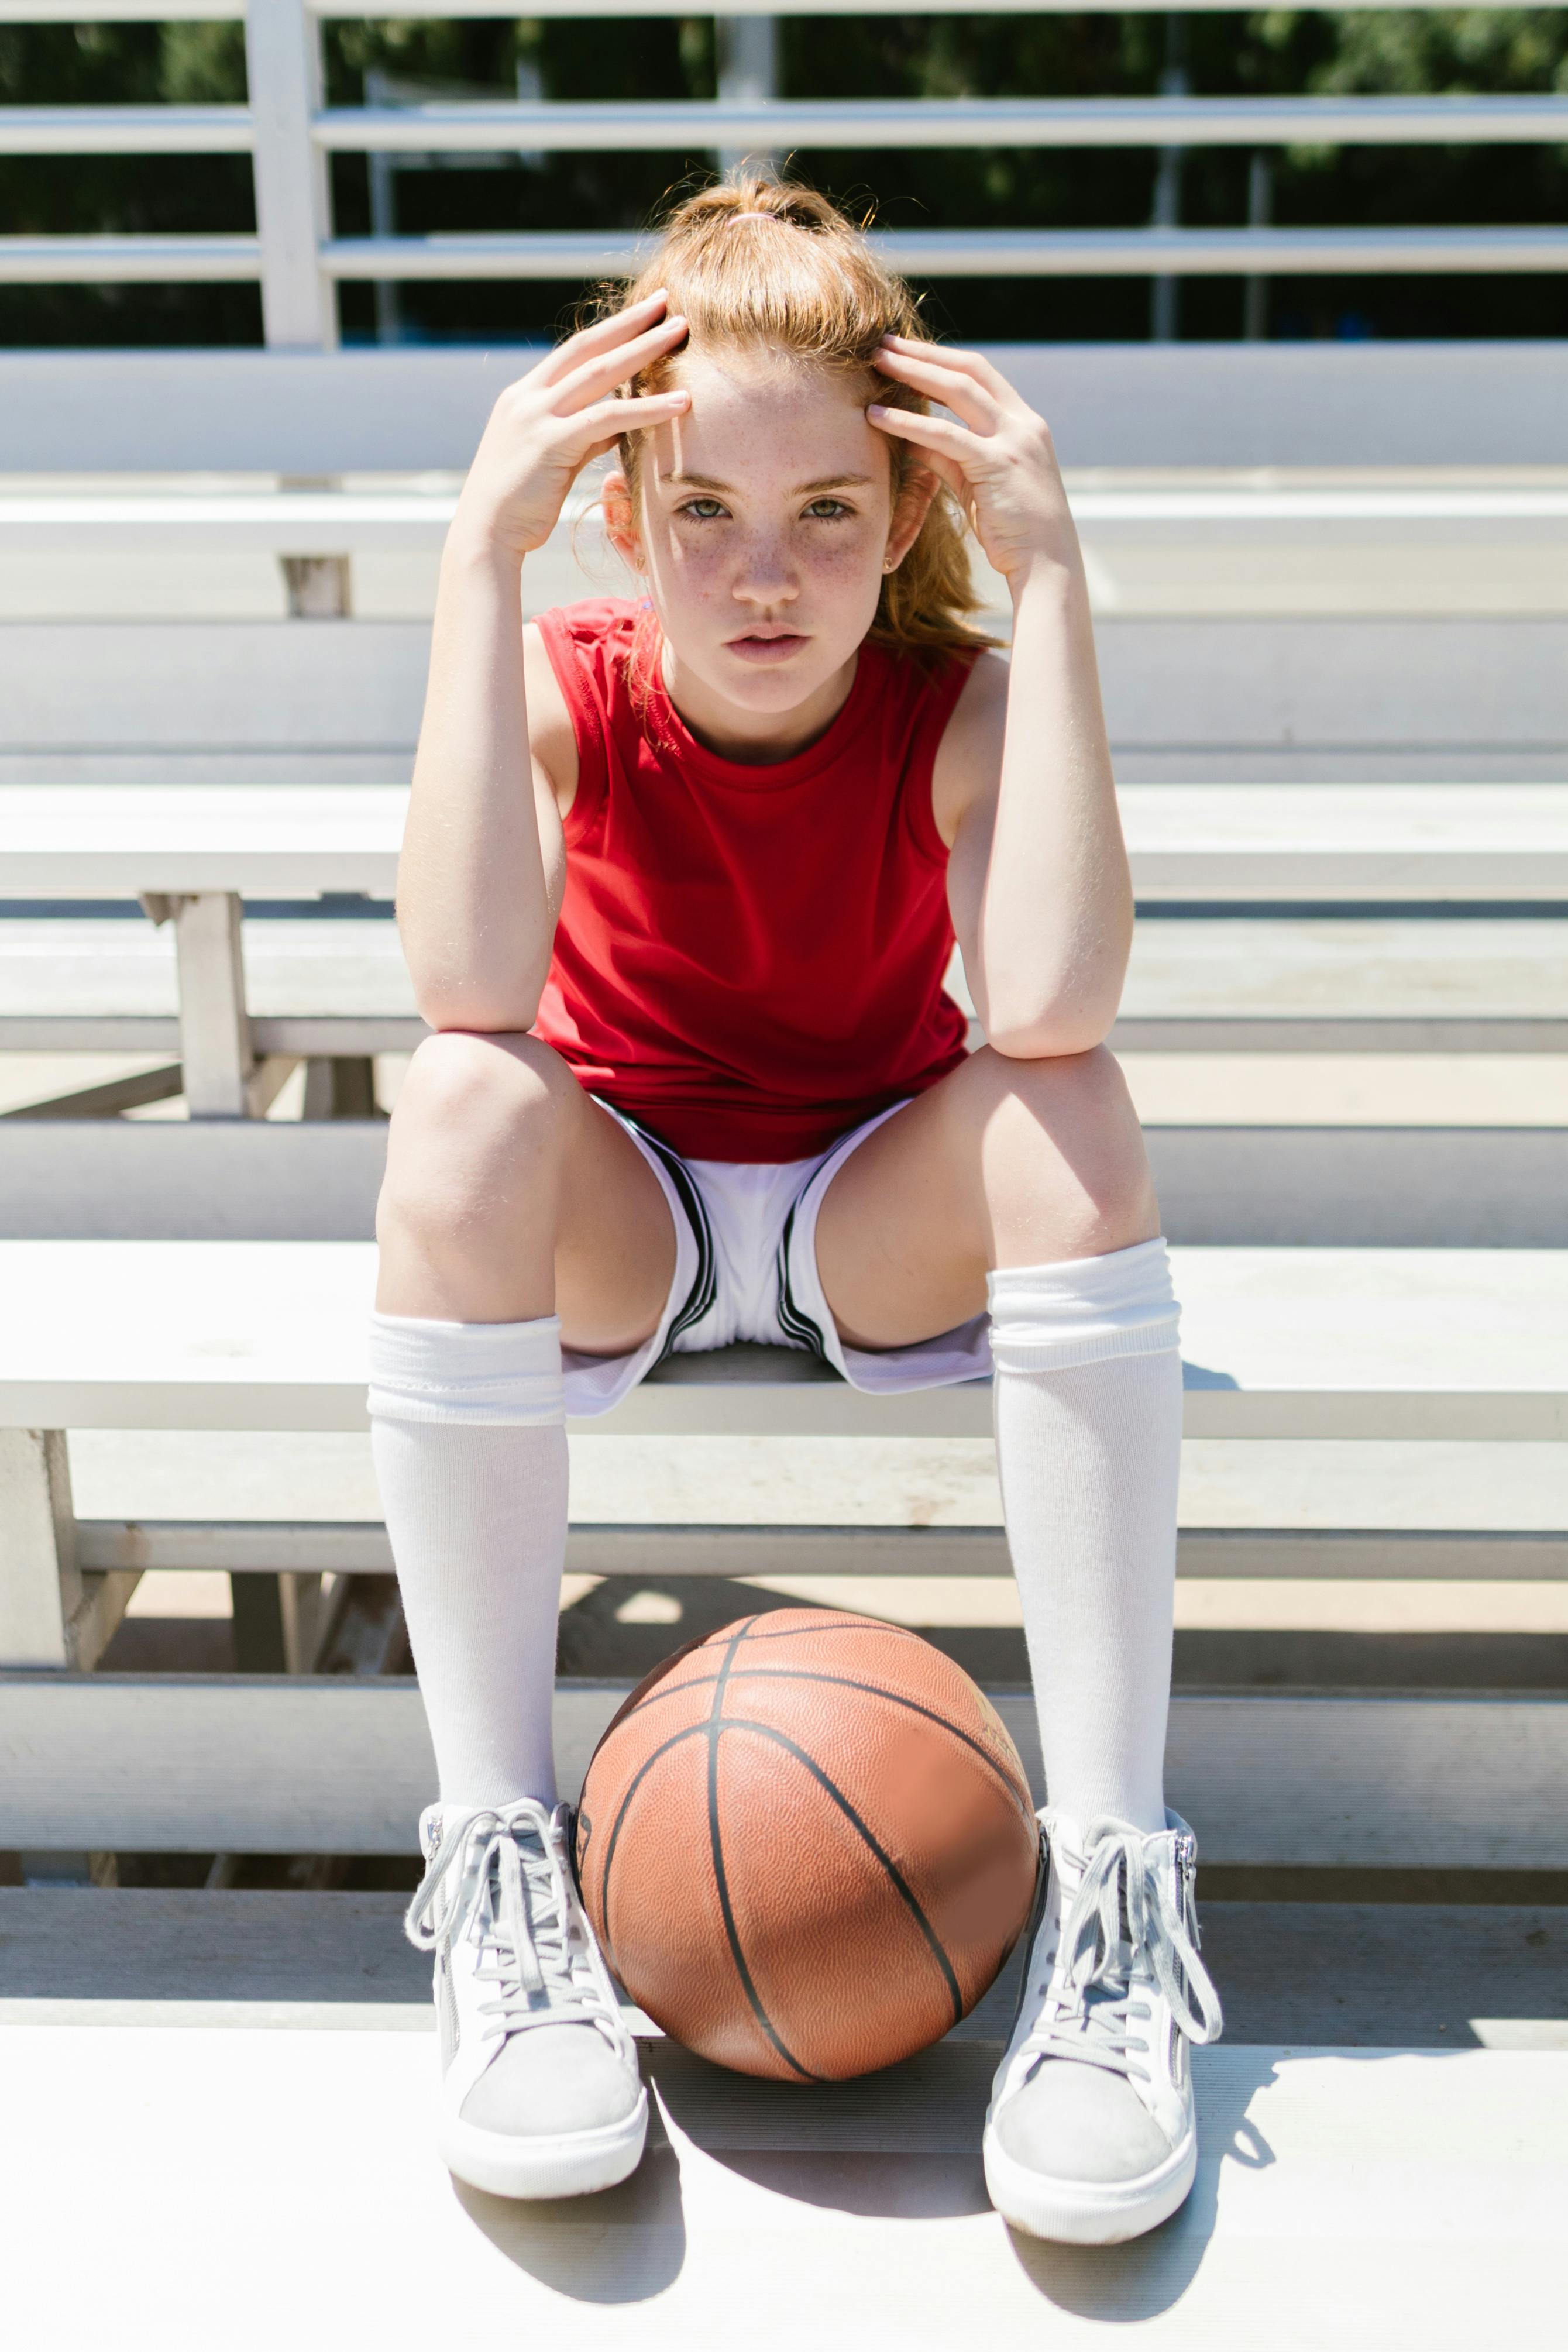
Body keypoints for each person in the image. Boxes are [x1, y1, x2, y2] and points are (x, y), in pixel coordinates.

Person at [370, 175, 1221, 2244]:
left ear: (909, 516)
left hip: (864, 1196)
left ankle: (1110, 1902)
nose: (769, 573)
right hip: (631, 1200)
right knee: (464, 1107)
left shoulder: (954, 698)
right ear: (622, 513)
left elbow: (1046, 1005)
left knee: (1079, 1112)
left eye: (831, 511)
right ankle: (500, 1862)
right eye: (705, 516)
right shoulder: (577, 676)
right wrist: (476, 563)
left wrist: (1061, 579)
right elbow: (472, 989)